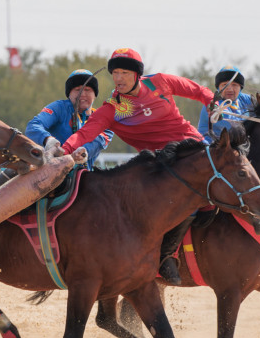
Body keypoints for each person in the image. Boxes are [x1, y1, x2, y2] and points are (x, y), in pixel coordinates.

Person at [61, 48, 215, 285]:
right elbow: (85, 133)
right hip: (162, 164)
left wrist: (212, 102)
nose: (119, 78)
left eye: (124, 72)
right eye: (115, 73)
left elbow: (196, 91)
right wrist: (64, 150)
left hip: (193, 148)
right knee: (190, 201)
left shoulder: (159, 82)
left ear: (136, 74)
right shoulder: (114, 108)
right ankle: (166, 257)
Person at [0, 69, 113, 196]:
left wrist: (83, 151)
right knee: (13, 171)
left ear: (95, 94)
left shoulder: (104, 119)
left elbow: (97, 143)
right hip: (47, 170)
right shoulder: (59, 107)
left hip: (83, 176)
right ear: (69, 94)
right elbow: (33, 126)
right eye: (77, 90)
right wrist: (48, 140)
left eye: (88, 90)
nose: (82, 94)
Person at [197, 65, 255, 142]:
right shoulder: (213, 104)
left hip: (235, 147)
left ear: (240, 88)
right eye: (224, 85)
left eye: (234, 85)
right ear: (219, 87)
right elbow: (236, 127)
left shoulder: (244, 99)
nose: (230, 89)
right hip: (210, 148)